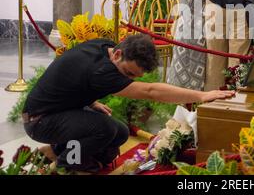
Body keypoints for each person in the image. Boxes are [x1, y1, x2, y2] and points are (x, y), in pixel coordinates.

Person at [22, 34, 235, 173]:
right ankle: (65, 164)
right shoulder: (103, 71)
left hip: (58, 110)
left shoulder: (104, 47)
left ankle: (57, 149)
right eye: (128, 73)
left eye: (135, 77)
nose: (128, 80)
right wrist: (201, 96)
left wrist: (92, 102)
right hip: (39, 121)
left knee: (120, 133)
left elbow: (73, 78)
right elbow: (152, 91)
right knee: (103, 130)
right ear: (117, 54)